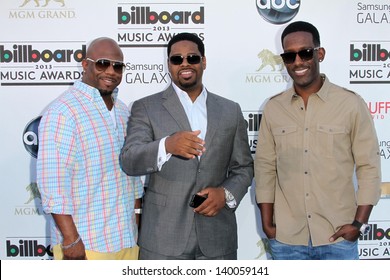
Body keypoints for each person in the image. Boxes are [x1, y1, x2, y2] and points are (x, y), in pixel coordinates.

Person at [120, 32, 254, 260]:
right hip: (162, 237)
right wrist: (167, 145)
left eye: (192, 58)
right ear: (168, 65)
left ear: (203, 61)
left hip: (217, 236)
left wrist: (225, 193)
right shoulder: (146, 107)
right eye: (176, 59)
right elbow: (130, 160)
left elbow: (244, 167)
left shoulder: (230, 110)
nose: (184, 64)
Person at [255, 21, 382, 260]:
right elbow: (264, 168)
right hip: (287, 240)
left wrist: (359, 224)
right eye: (289, 56)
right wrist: (267, 223)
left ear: (319, 53)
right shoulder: (273, 108)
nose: (298, 62)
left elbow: (369, 166)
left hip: (338, 237)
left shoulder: (351, 104)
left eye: (305, 53)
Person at [36, 37, 144, 260]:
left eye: (118, 66)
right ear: (86, 65)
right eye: (103, 63)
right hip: (86, 245)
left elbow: (132, 178)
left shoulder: (123, 111)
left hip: (126, 240)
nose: (111, 71)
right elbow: (53, 184)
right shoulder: (63, 112)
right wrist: (71, 241)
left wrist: (137, 223)